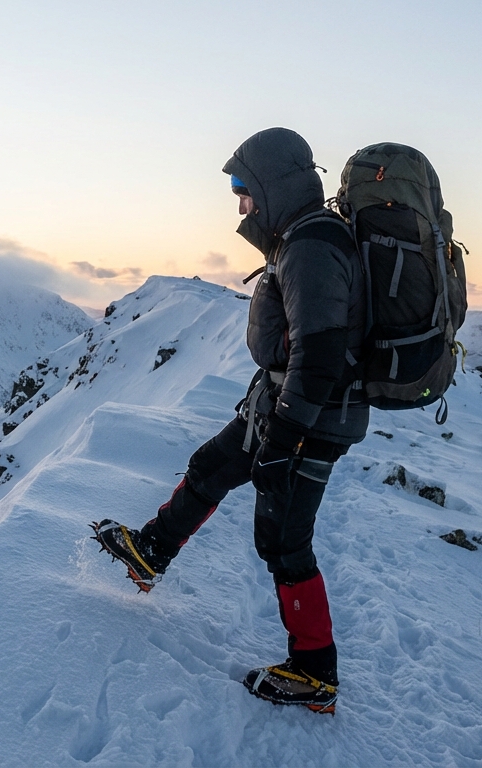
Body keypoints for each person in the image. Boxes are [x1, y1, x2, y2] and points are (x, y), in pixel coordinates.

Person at [92, 127, 367, 715]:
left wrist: (286, 435)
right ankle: (150, 552)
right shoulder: (298, 240)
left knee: (284, 538)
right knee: (212, 465)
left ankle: (314, 672)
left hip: (310, 420)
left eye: (244, 189)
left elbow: (319, 354)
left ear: (273, 186)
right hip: (278, 407)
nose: (240, 203)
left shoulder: (312, 247)